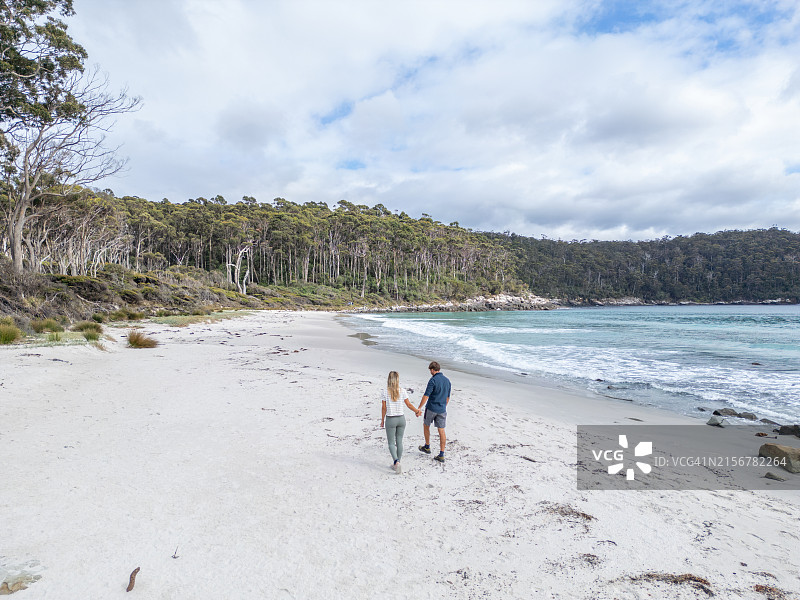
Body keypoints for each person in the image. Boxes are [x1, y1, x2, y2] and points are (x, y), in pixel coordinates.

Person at [380, 371, 420, 474]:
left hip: (391, 419)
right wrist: (417, 411)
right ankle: (398, 462)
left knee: (391, 443)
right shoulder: (402, 391)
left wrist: (382, 420)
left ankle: (396, 463)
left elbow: (384, 408)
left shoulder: (385, 391)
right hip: (401, 419)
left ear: (389, 379)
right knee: (399, 441)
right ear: (397, 379)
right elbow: (409, 405)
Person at [417, 361, 451, 463]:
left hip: (431, 408)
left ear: (432, 370)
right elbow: (448, 397)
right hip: (442, 409)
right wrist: (443, 406)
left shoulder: (433, 380)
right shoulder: (447, 381)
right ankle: (441, 454)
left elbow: (426, 395)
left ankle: (427, 446)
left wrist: (419, 408)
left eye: (430, 370)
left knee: (426, 425)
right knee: (441, 431)